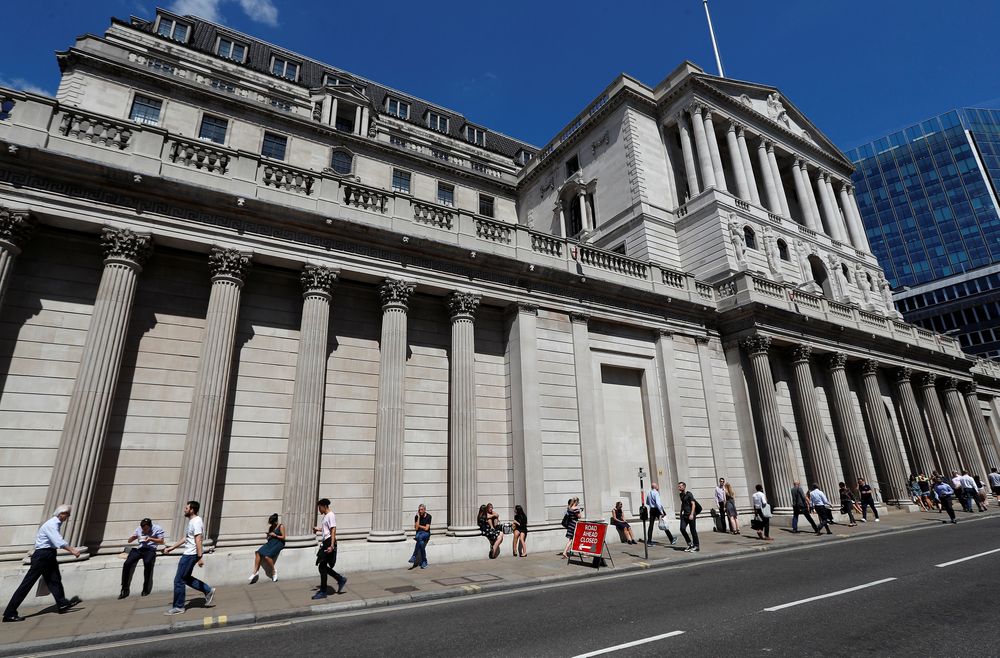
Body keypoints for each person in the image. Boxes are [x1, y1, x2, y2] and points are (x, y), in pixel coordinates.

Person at [3, 505, 82, 622]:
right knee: (27, 584)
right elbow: (57, 541)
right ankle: (9, 613)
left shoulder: (55, 523)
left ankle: (62, 603)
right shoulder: (52, 524)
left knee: (54, 579)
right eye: (67, 515)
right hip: (43, 556)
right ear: (61, 514)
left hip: (48, 554)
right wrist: (72, 550)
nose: (68, 517)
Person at [163, 500, 215, 615]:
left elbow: (198, 539)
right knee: (185, 578)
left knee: (178, 580)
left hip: (190, 555)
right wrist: (172, 547)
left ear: (192, 510)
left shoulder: (196, 522)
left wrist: (200, 557)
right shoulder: (192, 521)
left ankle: (179, 607)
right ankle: (208, 590)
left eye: (186, 508)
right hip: (189, 553)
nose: (184, 510)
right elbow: (186, 538)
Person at [121, 517, 165, 598]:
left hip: (150, 549)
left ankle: (145, 588)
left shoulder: (157, 528)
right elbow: (129, 541)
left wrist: (150, 539)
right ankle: (124, 588)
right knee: (127, 563)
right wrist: (133, 538)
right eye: (142, 529)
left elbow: (162, 541)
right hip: (140, 549)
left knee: (148, 563)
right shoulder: (139, 529)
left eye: (146, 529)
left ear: (150, 526)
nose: (144, 531)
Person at [312, 498, 346, 599]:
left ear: (324, 506)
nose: (319, 510)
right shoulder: (326, 516)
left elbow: (333, 530)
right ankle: (340, 579)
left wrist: (331, 546)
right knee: (322, 566)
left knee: (322, 567)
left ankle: (323, 591)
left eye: (319, 507)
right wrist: (318, 529)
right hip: (326, 542)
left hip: (329, 542)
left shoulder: (331, 515)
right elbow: (327, 528)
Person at [249, 513, 285, 582]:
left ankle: (274, 571)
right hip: (271, 542)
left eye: (272, 523)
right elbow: (268, 538)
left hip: (279, 543)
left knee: (267, 556)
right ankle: (255, 572)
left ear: (275, 521)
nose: (272, 524)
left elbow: (283, 537)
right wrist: (268, 536)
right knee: (258, 552)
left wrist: (275, 535)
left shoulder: (281, 526)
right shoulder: (271, 527)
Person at [677, 482, 700, 552]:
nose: (679, 488)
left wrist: (692, 514)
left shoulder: (689, 494)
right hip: (684, 516)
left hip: (691, 515)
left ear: (684, 487)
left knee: (693, 531)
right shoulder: (680, 495)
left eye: (680, 486)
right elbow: (683, 504)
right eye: (678, 486)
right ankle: (690, 544)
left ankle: (696, 546)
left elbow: (693, 504)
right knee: (682, 528)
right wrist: (681, 513)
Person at [409, 504, 431, 569]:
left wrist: (419, 526)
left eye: (421, 510)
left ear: (424, 510)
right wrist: (418, 518)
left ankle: (414, 556)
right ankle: (424, 561)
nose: (420, 511)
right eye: (419, 510)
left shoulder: (429, 516)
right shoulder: (416, 516)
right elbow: (416, 528)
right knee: (421, 542)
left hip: (426, 533)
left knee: (419, 538)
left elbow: (427, 528)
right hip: (419, 533)